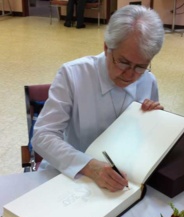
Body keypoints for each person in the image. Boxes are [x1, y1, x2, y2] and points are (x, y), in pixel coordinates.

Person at [32, 5, 164, 192]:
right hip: (72, 176)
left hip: (123, 179)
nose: (130, 75)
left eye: (141, 66)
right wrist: (90, 166)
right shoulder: (73, 75)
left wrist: (156, 122)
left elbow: (146, 141)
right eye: (124, 62)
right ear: (106, 48)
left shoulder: (148, 81)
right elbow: (42, 136)